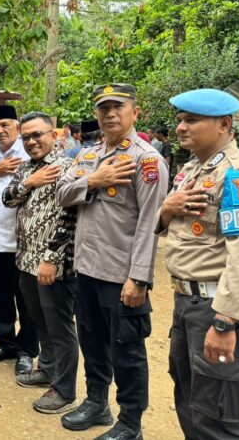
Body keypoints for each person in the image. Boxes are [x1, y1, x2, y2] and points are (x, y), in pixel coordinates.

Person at [57, 83, 168, 440]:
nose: (109, 114)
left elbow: (151, 224)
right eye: (103, 108)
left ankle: (131, 423)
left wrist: (139, 278)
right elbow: (62, 194)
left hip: (122, 277)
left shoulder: (146, 159)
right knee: (92, 341)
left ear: (135, 112)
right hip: (87, 269)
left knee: (127, 351)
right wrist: (94, 180)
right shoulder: (88, 155)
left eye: (117, 107)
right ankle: (96, 403)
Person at [157, 88, 239, 440]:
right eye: (180, 121)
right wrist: (168, 208)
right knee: (192, 400)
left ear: (225, 125)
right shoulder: (194, 169)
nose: (181, 128)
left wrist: (225, 321)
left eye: (191, 120)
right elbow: (170, 225)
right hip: (189, 301)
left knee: (219, 414)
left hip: (217, 307)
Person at [2, 112, 79, 415]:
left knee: (60, 327)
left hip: (53, 264)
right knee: (38, 320)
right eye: (27, 137)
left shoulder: (69, 167)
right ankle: (47, 368)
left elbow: (70, 216)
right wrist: (29, 183)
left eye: (38, 135)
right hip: (25, 260)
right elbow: (8, 199)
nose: (32, 141)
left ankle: (64, 389)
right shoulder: (26, 168)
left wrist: (52, 259)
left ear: (54, 135)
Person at [0, 105, 37, 375]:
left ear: (16, 126)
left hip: (21, 243)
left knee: (26, 299)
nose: (0, 130)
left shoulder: (29, 153)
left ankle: (27, 351)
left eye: (5, 125)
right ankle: (5, 343)